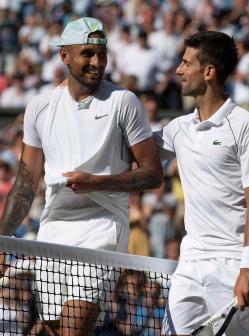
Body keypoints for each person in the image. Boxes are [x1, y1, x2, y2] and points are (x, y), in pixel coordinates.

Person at [0, 17, 163, 336]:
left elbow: (152, 174)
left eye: (101, 53)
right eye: (88, 53)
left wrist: (98, 182)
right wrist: (2, 240)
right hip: (53, 229)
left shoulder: (124, 102)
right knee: (52, 329)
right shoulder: (40, 107)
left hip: (103, 226)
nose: (97, 61)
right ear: (64, 56)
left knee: (73, 331)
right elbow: (26, 182)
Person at [155, 31, 249, 335]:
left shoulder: (246, 125)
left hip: (234, 264)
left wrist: (248, 267)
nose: (178, 70)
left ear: (209, 72)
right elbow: (135, 151)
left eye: (186, 63)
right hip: (190, 263)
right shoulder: (177, 129)